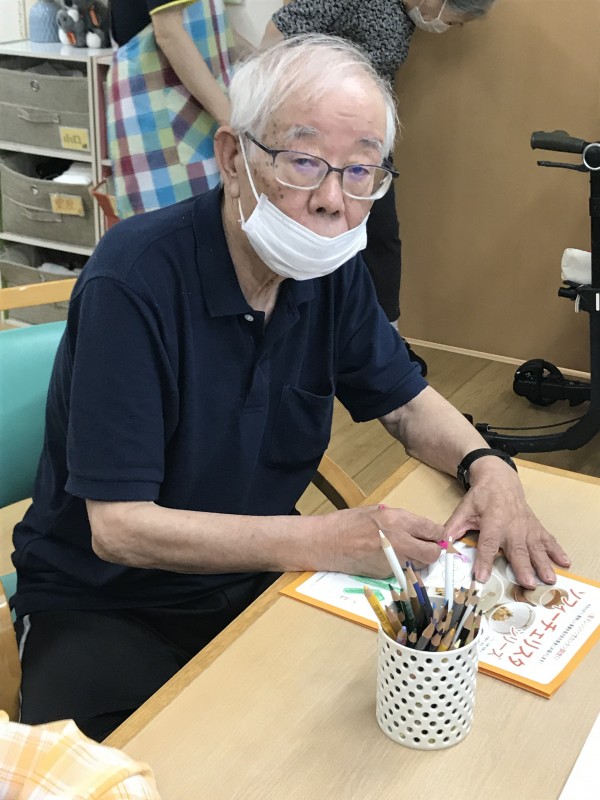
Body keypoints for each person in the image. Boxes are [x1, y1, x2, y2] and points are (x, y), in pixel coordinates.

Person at [12, 34, 568, 742]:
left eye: (360, 171)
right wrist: (322, 539)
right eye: (304, 163)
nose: (333, 201)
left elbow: (404, 401)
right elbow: (119, 529)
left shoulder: (328, 272)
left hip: (260, 573)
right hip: (105, 601)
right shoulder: (134, 281)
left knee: (357, 738)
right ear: (232, 159)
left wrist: (488, 467)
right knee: (127, 769)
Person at [263, 0, 497, 375]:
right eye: (456, 20)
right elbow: (279, 34)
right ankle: (311, 343)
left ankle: (384, 342)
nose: (452, 28)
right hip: (320, 137)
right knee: (316, 236)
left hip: (366, 143)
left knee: (381, 237)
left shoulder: (406, 15)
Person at [106, 0, 233, 219]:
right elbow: (168, 33)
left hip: (198, 116)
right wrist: (232, 122)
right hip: (158, 115)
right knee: (171, 229)